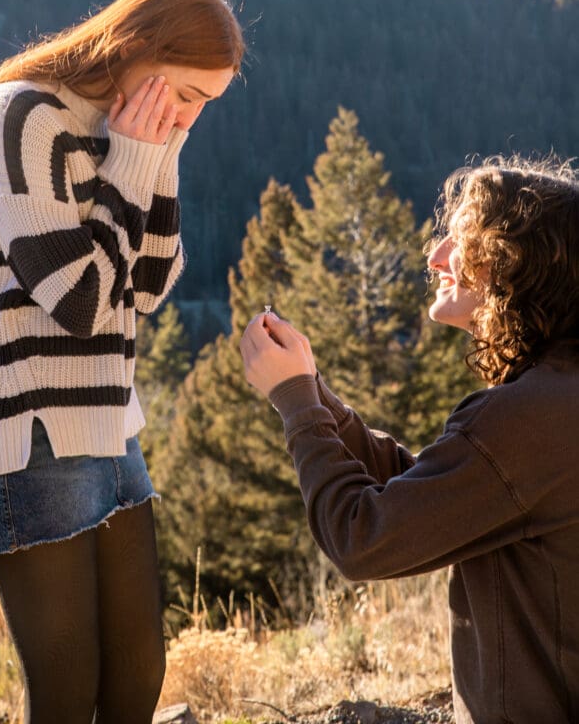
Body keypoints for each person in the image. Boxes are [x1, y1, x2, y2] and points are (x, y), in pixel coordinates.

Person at [0, 0, 245, 724]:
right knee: (67, 690)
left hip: (102, 417)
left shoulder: (130, 128)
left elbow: (150, 286)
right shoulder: (24, 115)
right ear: (140, 48)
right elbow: (83, 303)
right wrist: (135, 157)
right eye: (187, 95)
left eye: (205, 105)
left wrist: (154, 155)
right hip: (17, 423)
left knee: (138, 672)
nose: (190, 117)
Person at [240, 157, 579, 724]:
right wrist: (318, 397)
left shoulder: (526, 418)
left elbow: (361, 536)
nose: (437, 255)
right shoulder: (552, 400)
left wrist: (297, 404)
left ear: (514, 264)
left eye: (462, 238)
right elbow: (432, 491)